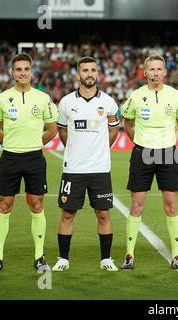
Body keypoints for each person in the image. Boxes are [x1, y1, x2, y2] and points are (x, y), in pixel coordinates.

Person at [0, 53, 58, 272]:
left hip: (34, 158)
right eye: (18, 69)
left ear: (31, 71)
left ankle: (39, 256)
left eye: (26, 69)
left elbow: (52, 129)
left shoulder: (43, 98)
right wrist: (10, 143)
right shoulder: (2, 98)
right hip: (9, 157)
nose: (22, 73)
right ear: (12, 72)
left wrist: (35, 143)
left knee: (36, 205)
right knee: (4, 204)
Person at [52, 56, 120, 272]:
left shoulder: (108, 103)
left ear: (97, 74)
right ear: (78, 74)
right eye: (85, 70)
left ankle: (106, 259)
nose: (89, 74)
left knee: (103, 214)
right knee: (67, 214)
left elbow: (114, 130)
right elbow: (62, 131)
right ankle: (63, 259)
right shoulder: (66, 102)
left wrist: (100, 149)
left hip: (100, 169)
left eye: (93, 70)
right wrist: (75, 149)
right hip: (73, 170)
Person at [120, 55, 178, 269]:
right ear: (145, 73)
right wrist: (139, 142)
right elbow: (128, 123)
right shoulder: (136, 96)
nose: (156, 73)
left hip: (168, 154)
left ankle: (176, 255)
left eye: (160, 69)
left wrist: (173, 138)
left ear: (165, 72)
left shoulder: (176, 96)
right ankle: (129, 255)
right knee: (137, 205)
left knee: (171, 205)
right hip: (142, 153)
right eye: (152, 69)